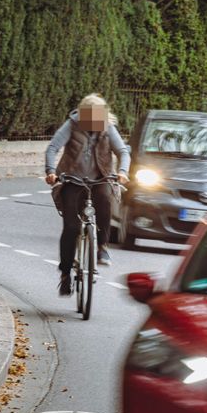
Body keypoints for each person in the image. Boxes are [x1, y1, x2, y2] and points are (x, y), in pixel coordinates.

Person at [45, 94, 130, 296]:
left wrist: (123, 172)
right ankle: (65, 275)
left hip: (100, 178)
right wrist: (50, 171)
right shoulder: (72, 125)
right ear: (82, 114)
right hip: (72, 180)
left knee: (105, 202)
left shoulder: (108, 128)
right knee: (71, 228)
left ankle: (102, 246)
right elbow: (53, 147)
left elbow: (123, 152)